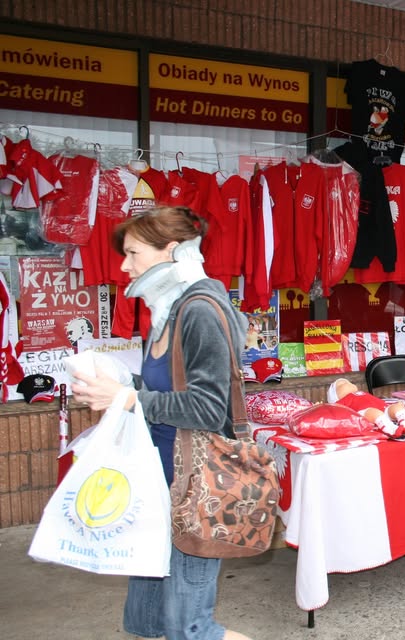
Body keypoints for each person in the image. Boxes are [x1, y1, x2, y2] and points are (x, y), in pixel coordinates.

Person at [71, 206, 253, 640]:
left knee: (189, 629)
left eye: (133, 253)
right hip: (158, 481)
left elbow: (209, 409)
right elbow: (163, 389)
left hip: (197, 486)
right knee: (146, 620)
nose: (124, 265)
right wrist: (119, 384)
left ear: (172, 251)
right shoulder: (167, 310)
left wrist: (128, 398)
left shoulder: (200, 310)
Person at [327, 377, 405, 437]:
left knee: (396, 408)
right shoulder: (340, 402)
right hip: (364, 413)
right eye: (341, 384)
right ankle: (393, 430)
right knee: (375, 413)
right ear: (335, 396)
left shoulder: (362, 393)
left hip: (383, 409)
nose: (347, 383)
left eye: (348, 382)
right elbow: (334, 411)